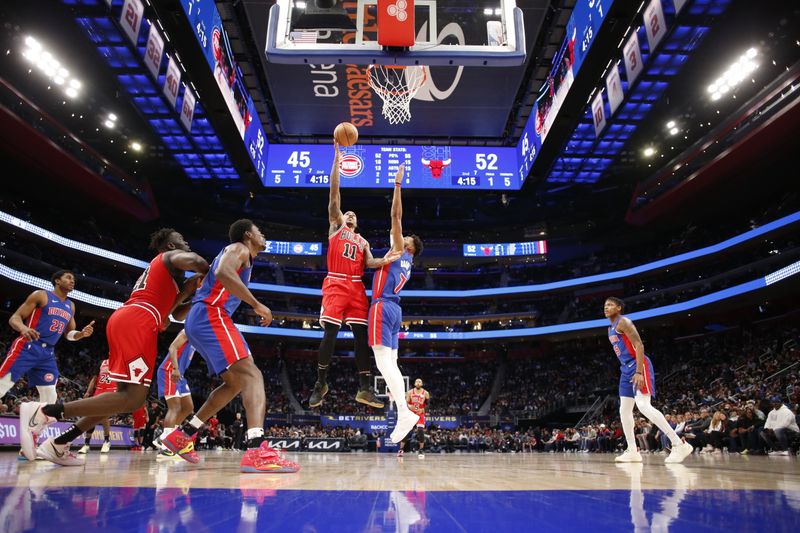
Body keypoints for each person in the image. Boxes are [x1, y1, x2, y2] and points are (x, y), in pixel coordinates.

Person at [19, 228, 208, 465]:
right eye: (182, 241)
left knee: (119, 398)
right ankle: (46, 412)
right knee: (133, 399)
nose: (187, 243)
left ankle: (59, 443)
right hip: (137, 322)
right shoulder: (167, 257)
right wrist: (214, 276)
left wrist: (190, 292)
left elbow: (173, 314)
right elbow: (196, 261)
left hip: (134, 320)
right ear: (171, 247)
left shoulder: (164, 280)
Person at [161, 219, 299, 474]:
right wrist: (256, 304)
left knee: (235, 383)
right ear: (248, 235)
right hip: (212, 315)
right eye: (259, 230)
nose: (263, 234)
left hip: (203, 318)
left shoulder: (240, 253)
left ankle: (184, 434)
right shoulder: (239, 249)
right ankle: (257, 449)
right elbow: (224, 273)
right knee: (252, 375)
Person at [308, 142, 401, 409]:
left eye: (353, 214)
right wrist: (336, 162)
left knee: (362, 337)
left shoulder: (362, 241)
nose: (349, 213)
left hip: (357, 287)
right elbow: (334, 194)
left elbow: (370, 262)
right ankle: (320, 382)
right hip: (336, 281)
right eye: (347, 212)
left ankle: (364, 388)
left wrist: (387, 259)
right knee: (331, 333)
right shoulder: (336, 226)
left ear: (356, 222)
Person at [368, 164, 424, 445]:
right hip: (395, 310)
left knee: (382, 362)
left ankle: (403, 411)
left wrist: (398, 185)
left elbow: (396, 215)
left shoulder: (400, 250)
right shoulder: (408, 263)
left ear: (408, 246)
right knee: (390, 362)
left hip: (381, 306)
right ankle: (403, 411)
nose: (401, 236)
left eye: (405, 237)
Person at [604, 297, 693, 464]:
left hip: (639, 365)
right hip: (625, 369)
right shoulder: (610, 328)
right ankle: (632, 451)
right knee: (624, 410)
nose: (606, 307)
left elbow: (639, 345)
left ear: (619, 307)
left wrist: (638, 371)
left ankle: (678, 443)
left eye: (610, 305)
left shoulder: (624, 322)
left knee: (643, 406)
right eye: (605, 305)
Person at [1, 270, 95, 405]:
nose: (72, 281)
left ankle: (32, 425)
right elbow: (14, 318)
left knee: (50, 397)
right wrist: (24, 328)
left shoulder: (71, 306)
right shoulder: (41, 295)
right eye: (68, 278)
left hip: (47, 353)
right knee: (2, 385)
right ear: (57, 281)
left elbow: (69, 334)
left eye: (73, 279)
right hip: (28, 346)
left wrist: (81, 334)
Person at [155, 329, 195, 456]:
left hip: (180, 374)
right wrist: (175, 368)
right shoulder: (188, 331)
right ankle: (166, 446)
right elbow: (172, 348)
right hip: (170, 370)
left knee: (188, 407)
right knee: (175, 407)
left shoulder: (198, 335)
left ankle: (168, 436)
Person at [77, 359, 114, 455]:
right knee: (91, 417)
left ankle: (106, 441)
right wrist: (88, 392)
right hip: (98, 391)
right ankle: (86, 444)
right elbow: (94, 378)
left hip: (111, 392)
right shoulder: (102, 362)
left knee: (104, 416)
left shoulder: (121, 363)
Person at [406, 379, 430, 458]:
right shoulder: (409, 392)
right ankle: (401, 449)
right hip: (411, 413)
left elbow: (428, 405)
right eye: (417, 381)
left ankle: (421, 449)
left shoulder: (426, 393)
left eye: (420, 382)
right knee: (406, 431)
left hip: (420, 414)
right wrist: (410, 406)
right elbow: (406, 403)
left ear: (422, 384)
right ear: (414, 383)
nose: (418, 383)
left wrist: (423, 409)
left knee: (420, 431)